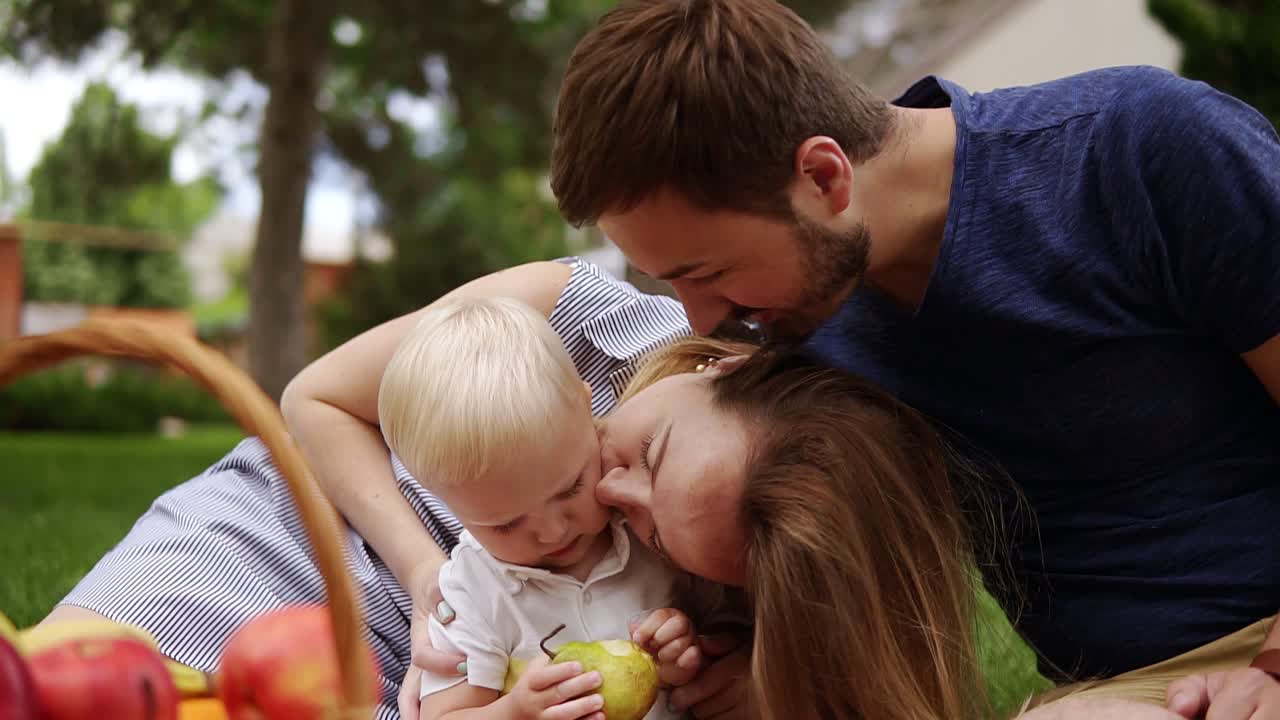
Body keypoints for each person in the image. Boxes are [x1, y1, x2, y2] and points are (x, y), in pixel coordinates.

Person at [547, 0, 1280, 716]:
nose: (703, 318)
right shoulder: (802, 329)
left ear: (824, 177)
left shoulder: (1134, 150)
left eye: (705, 274)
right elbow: (505, 304)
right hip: (1109, 696)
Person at [376, 295, 697, 720]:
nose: (552, 533)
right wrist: (513, 712)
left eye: (570, 489)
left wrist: (676, 661)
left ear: (587, 408)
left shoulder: (643, 525)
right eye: (506, 524)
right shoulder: (473, 591)